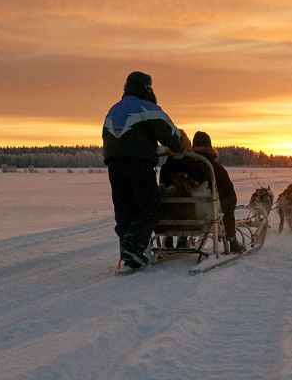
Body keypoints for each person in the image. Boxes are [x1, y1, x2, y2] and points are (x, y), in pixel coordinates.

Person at [102, 71, 186, 272]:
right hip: (139, 164)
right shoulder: (148, 108)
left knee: (124, 209)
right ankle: (133, 247)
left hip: (114, 166)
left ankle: (129, 252)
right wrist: (179, 147)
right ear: (147, 88)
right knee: (149, 207)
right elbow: (171, 135)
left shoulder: (113, 110)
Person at [159, 130, 241, 253]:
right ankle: (232, 240)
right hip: (203, 219)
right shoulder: (212, 168)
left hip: (172, 221)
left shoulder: (167, 168)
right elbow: (230, 202)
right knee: (228, 202)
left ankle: (178, 238)